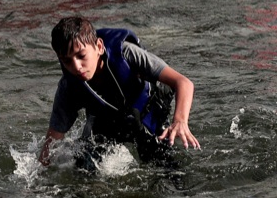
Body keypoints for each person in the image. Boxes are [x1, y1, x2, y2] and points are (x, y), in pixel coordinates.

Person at [38, 16, 199, 170]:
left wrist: (180, 121)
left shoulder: (127, 54)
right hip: (110, 119)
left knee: (162, 165)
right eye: (67, 61)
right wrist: (39, 176)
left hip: (146, 109)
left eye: (81, 56)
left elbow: (183, 83)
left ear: (99, 47)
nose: (77, 66)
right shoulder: (68, 87)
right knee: (85, 166)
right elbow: (51, 142)